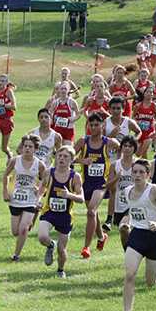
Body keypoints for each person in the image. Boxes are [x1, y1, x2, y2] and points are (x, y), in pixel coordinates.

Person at [116, 159, 156, 311]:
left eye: (141, 172)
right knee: (129, 274)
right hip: (136, 237)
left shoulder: (154, 190)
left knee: (149, 282)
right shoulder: (127, 191)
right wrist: (125, 221)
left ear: (148, 175)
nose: (137, 175)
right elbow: (133, 211)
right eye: (134, 172)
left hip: (155, 237)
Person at [74, 114, 120, 259]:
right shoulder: (83, 141)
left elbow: (124, 153)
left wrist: (115, 172)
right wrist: (82, 160)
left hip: (101, 184)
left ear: (102, 126)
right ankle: (101, 237)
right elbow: (68, 157)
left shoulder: (110, 142)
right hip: (86, 183)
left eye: (96, 125)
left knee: (91, 211)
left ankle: (86, 247)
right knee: (92, 212)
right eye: (91, 125)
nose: (93, 127)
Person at [37, 146, 85, 278]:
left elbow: (81, 199)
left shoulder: (75, 177)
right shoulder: (48, 172)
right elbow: (41, 189)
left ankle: (60, 270)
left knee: (62, 249)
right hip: (49, 212)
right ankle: (51, 244)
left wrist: (69, 195)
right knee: (42, 237)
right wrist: (39, 200)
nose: (62, 159)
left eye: (65, 156)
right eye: (59, 156)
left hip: (65, 216)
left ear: (72, 159)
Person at [2, 134, 47, 262]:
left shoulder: (40, 165)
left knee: (23, 229)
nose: (27, 148)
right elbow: (5, 175)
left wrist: (39, 193)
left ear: (35, 149)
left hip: (31, 199)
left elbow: (45, 182)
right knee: (15, 231)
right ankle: (27, 224)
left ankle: (16, 255)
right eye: (25, 146)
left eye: (30, 146)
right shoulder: (15, 161)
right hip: (15, 199)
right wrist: (5, 192)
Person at [107, 135, 139, 249]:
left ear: (134, 148)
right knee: (123, 232)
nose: (127, 148)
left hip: (134, 203)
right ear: (121, 148)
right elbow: (108, 186)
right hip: (119, 205)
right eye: (125, 145)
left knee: (125, 227)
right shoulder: (115, 165)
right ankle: (129, 253)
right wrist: (117, 177)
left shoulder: (139, 164)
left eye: (130, 146)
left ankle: (134, 252)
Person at [0, 74, 17, 177]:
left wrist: (3, 104)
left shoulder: (9, 92)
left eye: (3, 81)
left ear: (6, 82)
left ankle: (10, 155)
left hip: (7, 121)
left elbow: (14, 106)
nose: (0, 83)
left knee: (4, 148)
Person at [133, 89, 156, 158]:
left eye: (151, 92)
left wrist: (155, 122)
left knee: (141, 152)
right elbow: (133, 117)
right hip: (139, 132)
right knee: (139, 153)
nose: (149, 93)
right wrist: (136, 122)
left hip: (149, 132)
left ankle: (145, 166)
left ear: (153, 95)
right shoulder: (138, 106)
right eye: (147, 92)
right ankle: (146, 166)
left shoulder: (155, 106)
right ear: (144, 94)